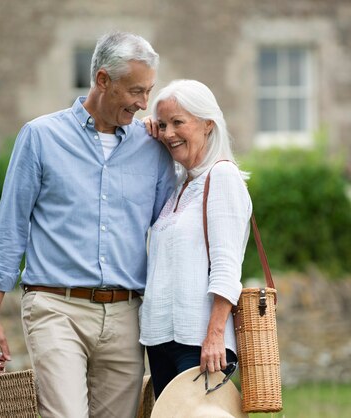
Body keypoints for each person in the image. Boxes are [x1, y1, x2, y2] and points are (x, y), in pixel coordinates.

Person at [0, 31, 176, 418]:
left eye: (148, 91)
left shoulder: (152, 149)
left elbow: (173, 228)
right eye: (136, 90)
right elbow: (9, 228)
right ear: (103, 80)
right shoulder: (40, 137)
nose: (143, 103)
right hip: (55, 307)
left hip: (125, 314)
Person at [139, 79, 252, 398]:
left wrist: (215, 334)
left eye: (178, 122)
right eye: (162, 124)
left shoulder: (222, 177)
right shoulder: (177, 185)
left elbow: (227, 266)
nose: (169, 133)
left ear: (207, 125)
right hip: (160, 341)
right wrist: (143, 135)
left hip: (200, 341)